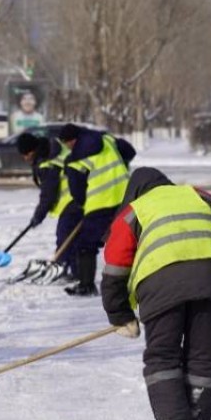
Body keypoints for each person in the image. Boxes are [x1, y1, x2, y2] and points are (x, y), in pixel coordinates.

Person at [99, 167, 211, 420]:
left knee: (163, 353)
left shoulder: (134, 211)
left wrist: (120, 315)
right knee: (203, 353)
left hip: (161, 286)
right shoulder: (200, 196)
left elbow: (115, 270)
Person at [58, 123, 136, 296]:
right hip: (126, 198)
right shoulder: (107, 139)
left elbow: (77, 192)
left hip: (100, 204)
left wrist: (83, 205)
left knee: (85, 244)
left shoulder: (75, 161)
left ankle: (86, 285)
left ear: (70, 141)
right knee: (129, 241)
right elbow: (130, 151)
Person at [15, 132, 78, 282]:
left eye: (26, 154)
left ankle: (64, 270)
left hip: (74, 200)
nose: (25, 158)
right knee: (71, 238)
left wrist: (39, 216)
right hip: (80, 196)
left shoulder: (48, 164)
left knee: (65, 236)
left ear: (33, 150)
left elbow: (48, 195)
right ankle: (74, 271)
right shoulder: (52, 148)